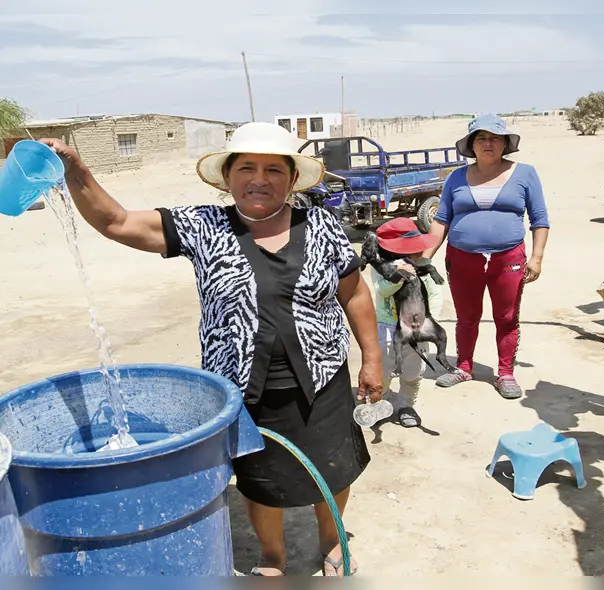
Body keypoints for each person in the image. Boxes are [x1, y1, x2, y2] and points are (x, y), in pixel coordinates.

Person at [39, 122, 382, 577]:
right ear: (228, 175)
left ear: (291, 179)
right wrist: (76, 171)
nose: (259, 179)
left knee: (333, 468)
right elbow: (115, 221)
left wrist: (373, 359)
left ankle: (332, 540)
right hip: (242, 388)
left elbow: (354, 293)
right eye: (247, 167)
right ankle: (273, 556)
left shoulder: (321, 225)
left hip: (321, 378)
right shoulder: (203, 226)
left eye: (273, 170)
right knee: (260, 481)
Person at [422, 114, 551, 399]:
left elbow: (539, 219)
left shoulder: (525, 173)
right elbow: (441, 219)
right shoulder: (456, 177)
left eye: (494, 138)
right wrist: (425, 256)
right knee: (466, 316)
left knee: (506, 318)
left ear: (505, 143)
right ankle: (464, 367)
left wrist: (537, 257)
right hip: (462, 258)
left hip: (509, 258)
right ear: (471, 145)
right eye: (481, 138)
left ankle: (505, 373)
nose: (488, 143)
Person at [370, 218, 451, 428]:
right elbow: (381, 291)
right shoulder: (382, 268)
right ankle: (383, 402)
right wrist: (400, 275)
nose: (415, 254)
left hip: (417, 325)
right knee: (384, 369)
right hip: (387, 326)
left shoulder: (424, 265)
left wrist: (432, 319)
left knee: (414, 370)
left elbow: (434, 293)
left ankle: (407, 404)